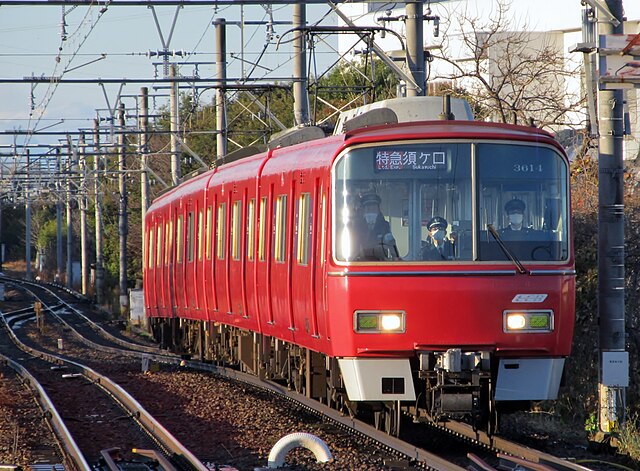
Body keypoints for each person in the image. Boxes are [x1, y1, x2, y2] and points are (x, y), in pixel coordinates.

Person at [352, 192, 398, 260]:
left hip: (381, 264)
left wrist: (396, 258)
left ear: (378, 211)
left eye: (374, 209)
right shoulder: (357, 226)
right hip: (361, 264)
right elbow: (353, 246)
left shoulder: (384, 225)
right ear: (364, 211)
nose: (371, 212)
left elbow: (391, 243)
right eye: (368, 210)